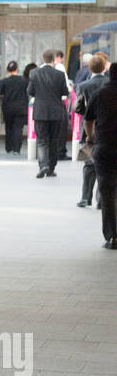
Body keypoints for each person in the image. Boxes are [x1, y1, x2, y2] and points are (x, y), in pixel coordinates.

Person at [84, 63, 117, 249]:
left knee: (107, 191)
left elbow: (88, 120)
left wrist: (90, 136)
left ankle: (112, 237)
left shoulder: (99, 94)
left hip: (105, 146)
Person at [28, 48, 69, 178]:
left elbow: (30, 91)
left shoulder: (34, 73)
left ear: (43, 59)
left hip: (40, 112)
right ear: (53, 60)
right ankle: (51, 168)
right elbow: (65, 92)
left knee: (42, 140)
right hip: (56, 112)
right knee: (53, 140)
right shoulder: (60, 74)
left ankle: (43, 165)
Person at [75, 53, 108, 208]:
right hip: (107, 129)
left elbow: (78, 108)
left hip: (89, 130)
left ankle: (85, 198)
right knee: (106, 166)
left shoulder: (83, 86)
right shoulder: (110, 84)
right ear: (104, 67)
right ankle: (101, 200)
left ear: (90, 68)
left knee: (89, 164)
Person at [0, 60, 28, 154]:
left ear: (8, 70)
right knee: (18, 128)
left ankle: (9, 148)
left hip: (8, 108)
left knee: (9, 127)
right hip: (21, 109)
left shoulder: (4, 81)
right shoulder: (24, 81)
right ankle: (16, 149)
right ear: (17, 69)